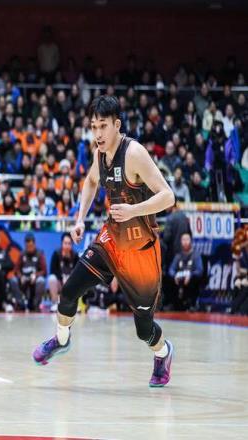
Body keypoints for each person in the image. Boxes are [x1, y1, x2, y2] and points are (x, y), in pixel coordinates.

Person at [33, 95, 176, 387]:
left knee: (144, 329)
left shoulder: (134, 153)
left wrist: (134, 210)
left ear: (117, 125)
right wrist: (80, 219)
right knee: (69, 292)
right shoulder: (100, 154)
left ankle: (163, 353)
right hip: (111, 241)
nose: (97, 133)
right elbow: (90, 181)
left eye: (103, 126)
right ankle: (62, 338)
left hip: (141, 252)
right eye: (93, 126)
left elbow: (168, 196)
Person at [9, 233, 47, 312]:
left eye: (31, 246)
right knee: (13, 280)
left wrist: (36, 275)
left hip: (34, 281)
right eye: (27, 246)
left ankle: (36, 304)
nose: (29, 248)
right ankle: (20, 303)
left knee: (41, 281)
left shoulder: (40, 254)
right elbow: (16, 270)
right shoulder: (22, 254)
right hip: (24, 280)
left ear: (34, 244)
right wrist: (20, 276)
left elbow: (44, 271)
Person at [168, 233, 204, 311]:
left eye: (187, 239)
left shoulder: (196, 255)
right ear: (181, 242)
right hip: (179, 280)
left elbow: (200, 270)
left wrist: (191, 275)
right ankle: (172, 304)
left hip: (191, 280)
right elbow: (171, 269)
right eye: (183, 240)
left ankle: (192, 304)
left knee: (195, 280)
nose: (185, 242)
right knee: (168, 279)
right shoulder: (178, 256)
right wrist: (174, 275)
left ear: (191, 241)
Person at [47, 233, 78, 313]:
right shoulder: (56, 254)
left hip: (70, 284)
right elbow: (52, 270)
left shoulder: (75, 255)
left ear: (72, 245)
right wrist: (61, 279)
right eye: (65, 243)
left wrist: (69, 280)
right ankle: (54, 303)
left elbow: (78, 272)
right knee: (51, 278)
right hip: (60, 283)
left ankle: (74, 304)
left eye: (69, 243)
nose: (67, 246)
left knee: (80, 281)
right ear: (62, 243)